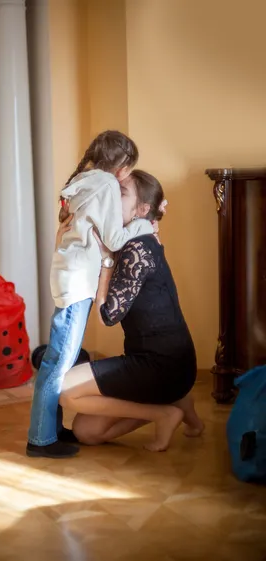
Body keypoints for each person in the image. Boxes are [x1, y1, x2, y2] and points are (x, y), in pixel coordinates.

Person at [27, 131, 154, 459]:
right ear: (122, 164)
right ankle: (41, 439)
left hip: (67, 276)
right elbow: (113, 237)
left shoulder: (84, 180)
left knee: (60, 360)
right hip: (78, 282)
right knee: (58, 363)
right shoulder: (107, 185)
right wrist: (145, 225)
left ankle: (51, 430)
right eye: (129, 168)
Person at [59, 170, 203, 452]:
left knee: (65, 388)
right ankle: (178, 405)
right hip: (165, 365)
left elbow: (108, 315)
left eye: (122, 193)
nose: (113, 197)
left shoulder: (138, 248)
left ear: (142, 209)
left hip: (162, 366)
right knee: (86, 431)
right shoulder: (135, 241)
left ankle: (163, 413)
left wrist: (106, 264)